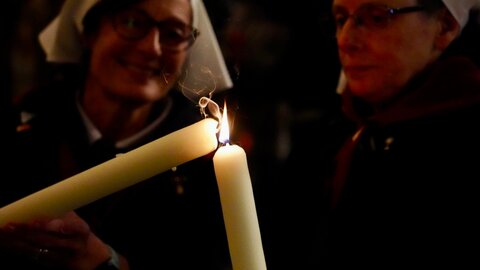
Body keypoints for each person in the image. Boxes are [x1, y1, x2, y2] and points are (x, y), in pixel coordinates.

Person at [0, 0, 233, 269]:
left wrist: (105, 262)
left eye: (172, 33)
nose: (152, 48)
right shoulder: (15, 132)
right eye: (132, 22)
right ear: (88, 33)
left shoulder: (209, 167)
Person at [262, 0, 480, 268]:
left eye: (377, 18)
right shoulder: (327, 137)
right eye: (341, 20)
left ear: (445, 26)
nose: (346, 40)